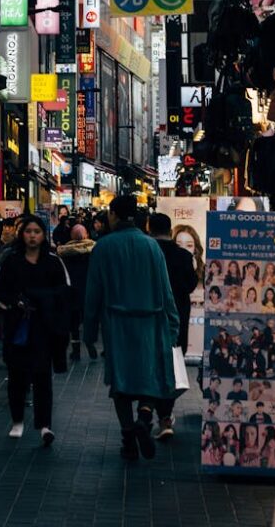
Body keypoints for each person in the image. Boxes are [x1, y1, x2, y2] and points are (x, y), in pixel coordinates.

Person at [83, 195, 179, 462]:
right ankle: (145, 417)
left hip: (117, 324)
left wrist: (89, 333)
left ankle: (128, 438)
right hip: (151, 321)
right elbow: (165, 289)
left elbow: (93, 293)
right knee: (150, 376)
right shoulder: (151, 246)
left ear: (113, 215)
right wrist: (173, 324)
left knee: (121, 382)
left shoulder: (103, 247)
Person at [0, 215, 70, 446]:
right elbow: (1, 291)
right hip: (18, 325)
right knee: (17, 375)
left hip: (44, 327)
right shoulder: (11, 261)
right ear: (22, 234)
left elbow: (63, 293)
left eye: (37, 231)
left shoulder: (52, 262)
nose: (32, 236)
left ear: (43, 234)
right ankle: (17, 420)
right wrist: (15, 302)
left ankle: (44, 424)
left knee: (42, 376)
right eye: (28, 231)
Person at [147, 212, 198, 439]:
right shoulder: (183, 256)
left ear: (149, 228)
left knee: (152, 365)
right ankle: (165, 417)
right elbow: (189, 285)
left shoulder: (146, 253)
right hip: (177, 318)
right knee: (173, 366)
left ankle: (147, 411)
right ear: (170, 230)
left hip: (149, 318)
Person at [57, 222, 96, 361]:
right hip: (89, 290)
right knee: (89, 320)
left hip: (72, 291)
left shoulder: (64, 252)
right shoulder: (94, 250)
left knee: (74, 323)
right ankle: (90, 344)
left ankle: (76, 350)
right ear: (86, 234)